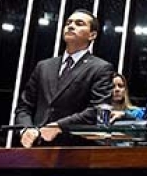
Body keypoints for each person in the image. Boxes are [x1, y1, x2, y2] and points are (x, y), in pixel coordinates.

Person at [14, 10, 114, 147]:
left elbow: (98, 110)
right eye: (68, 23)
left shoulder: (100, 68)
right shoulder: (44, 66)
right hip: (37, 146)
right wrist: (26, 129)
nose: (71, 26)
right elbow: (24, 106)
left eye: (79, 24)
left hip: (73, 148)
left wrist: (59, 126)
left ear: (92, 35)